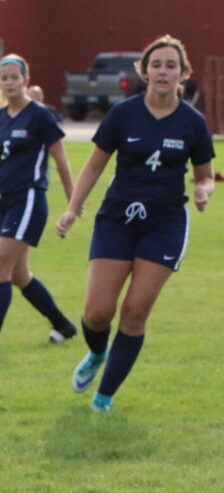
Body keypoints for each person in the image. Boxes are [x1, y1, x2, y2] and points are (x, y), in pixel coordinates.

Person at [56, 35, 215, 412]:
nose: (163, 71)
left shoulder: (193, 123)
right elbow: (95, 164)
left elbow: (205, 174)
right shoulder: (123, 113)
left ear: (183, 74)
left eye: (171, 65)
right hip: (117, 218)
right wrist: (72, 208)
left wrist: (204, 190)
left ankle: (104, 397)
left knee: (136, 310)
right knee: (98, 312)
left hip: (165, 224)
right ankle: (97, 354)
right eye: (156, 64)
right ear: (144, 72)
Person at [0, 54, 76, 348]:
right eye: (4, 77)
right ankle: (63, 326)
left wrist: (73, 203)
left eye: (14, 77)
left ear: (25, 80)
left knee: (0, 266)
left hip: (29, 199)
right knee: (19, 274)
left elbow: (60, 160)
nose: (9, 82)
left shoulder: (40, 115)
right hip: (5, 200)